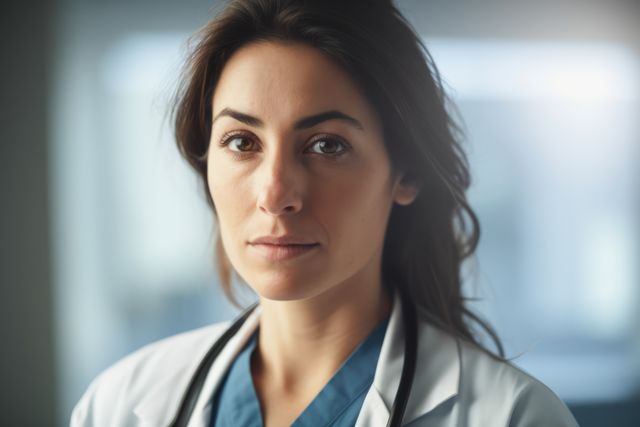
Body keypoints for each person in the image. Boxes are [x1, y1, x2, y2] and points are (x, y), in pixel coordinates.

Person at [71, 0, 580, 426]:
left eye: (326, 145)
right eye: (242, 141)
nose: (275, 193)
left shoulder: (513, 415)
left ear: (406, 174)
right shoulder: (121, 405)